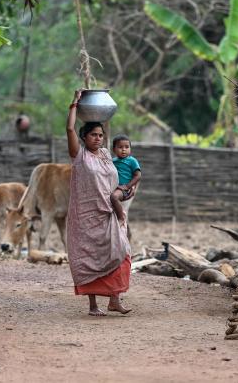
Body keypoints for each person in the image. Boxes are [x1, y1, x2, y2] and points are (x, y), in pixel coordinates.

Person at [66, 88, 132, 316]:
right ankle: (93, 306)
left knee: (120, 251)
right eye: (93, 135)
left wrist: (123, 190)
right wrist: (75, 103)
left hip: (108, 213)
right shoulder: (79, 155)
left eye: (100, 135)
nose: (98, 138)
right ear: (84, 137)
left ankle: (114, 299)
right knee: (89, 258)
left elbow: (115, 178)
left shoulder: (105, 154)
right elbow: (69, 128)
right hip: (86, 217)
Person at [110, 134, 141, 226]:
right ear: (114, 149)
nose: (124, 149)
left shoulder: (132, 161)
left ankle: (121, 217)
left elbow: (138, 175)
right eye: (120, 147)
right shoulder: (112, 161)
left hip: (124, 189)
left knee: (114, 197)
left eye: (127, 147)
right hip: (113, 188)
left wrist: (127, 186)